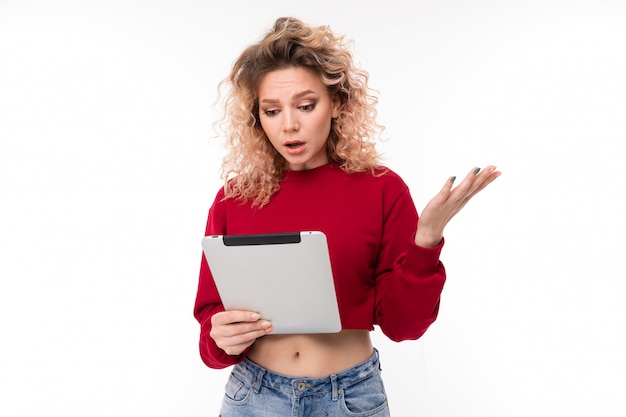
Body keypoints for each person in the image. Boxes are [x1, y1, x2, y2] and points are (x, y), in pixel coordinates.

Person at [194, 16, 500, 416]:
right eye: (271, 111)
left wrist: (426, 239)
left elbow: (403, 327)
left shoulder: (381, 189)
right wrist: (219, 337)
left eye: (306, 105)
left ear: (337, 103)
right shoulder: (233, 199)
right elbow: (210, 324)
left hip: (349, 398)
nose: (289, 124)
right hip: (254, 397)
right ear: (257, 117)